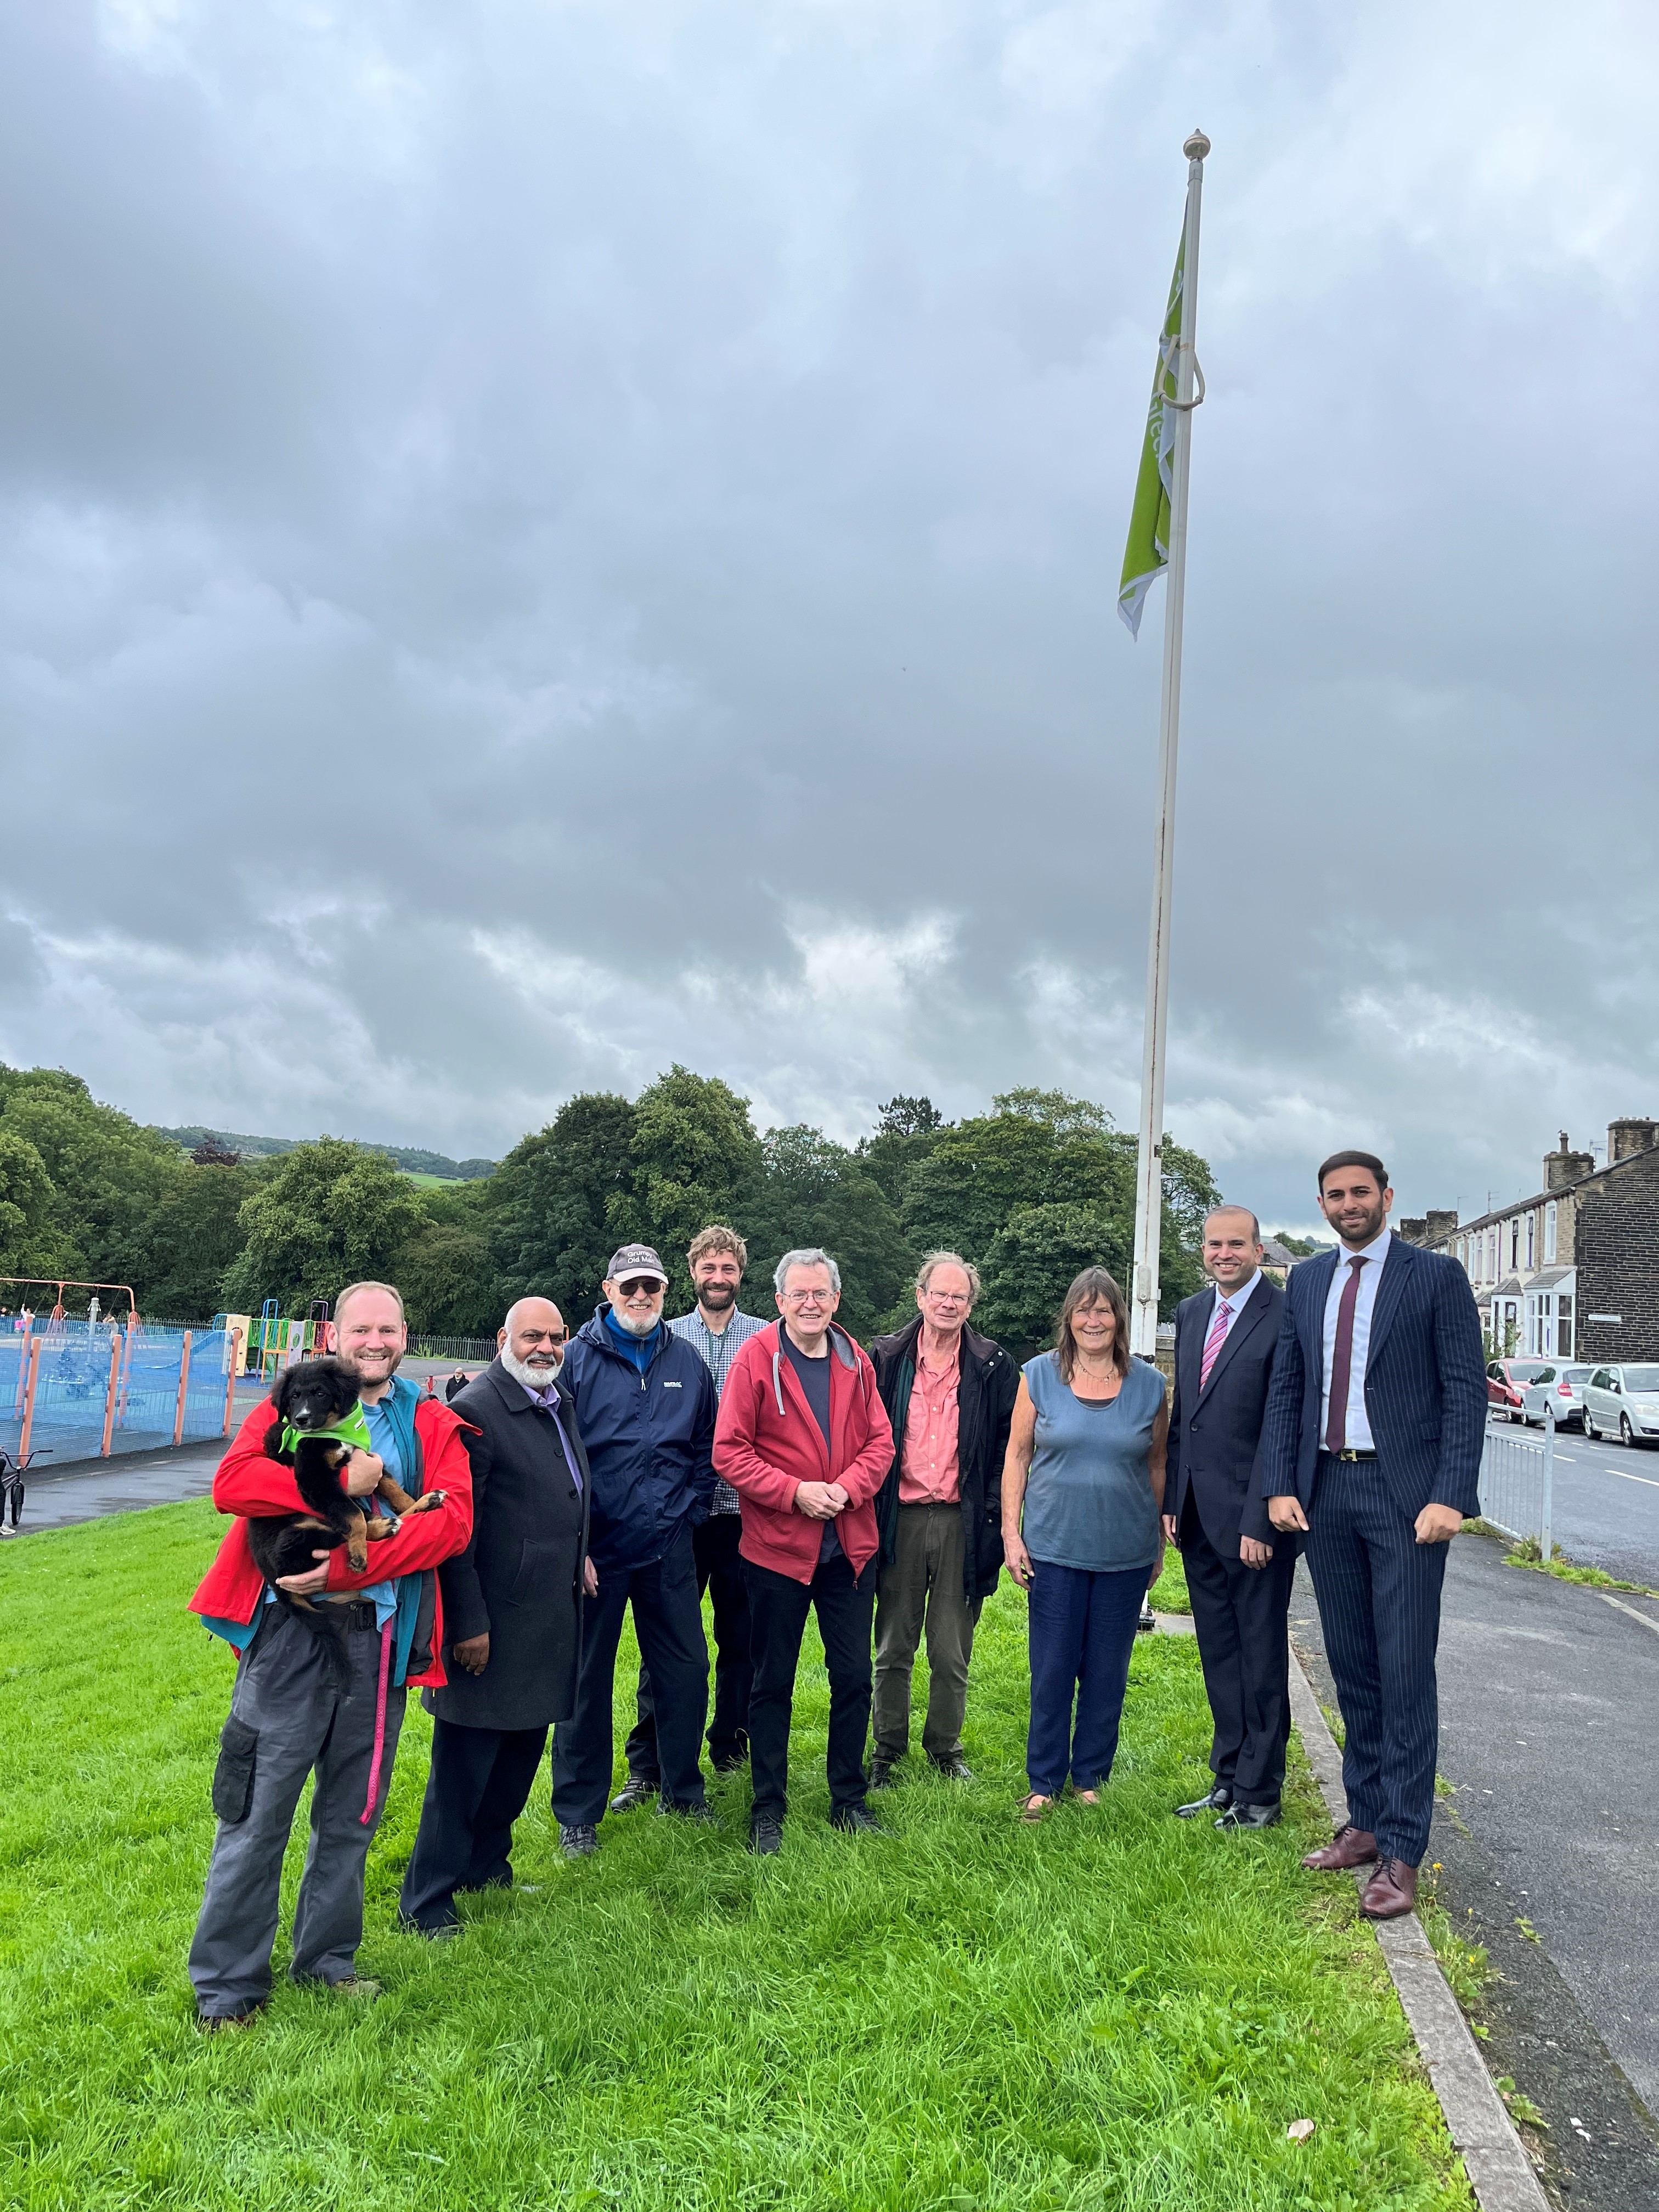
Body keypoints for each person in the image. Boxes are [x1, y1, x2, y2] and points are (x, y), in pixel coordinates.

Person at [187, 1281, 473, 2028]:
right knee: (257, 1808)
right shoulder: (290, 1404)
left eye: (387, 1330)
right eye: (360, 1330)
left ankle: (328, 1963)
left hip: (379, 1640)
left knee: (353, 1814)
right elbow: (233, 1483)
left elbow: (450, 1524)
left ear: (405, 1335)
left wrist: (354, 1565)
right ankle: (227, 1987)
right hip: (289, 1636)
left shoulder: (431, 1418)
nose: (374, 1342)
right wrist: (334, 1487)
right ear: (335, 1337)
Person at [1259, 1150, 1486, 1919]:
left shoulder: (1435, 1278)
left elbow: (1465, 1391)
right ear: (1321, 1205)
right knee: (1352, 1665)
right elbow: (1289, 1385)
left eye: (1361, 1192)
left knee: (1404, 1673)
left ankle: (1403, 1850)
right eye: (1335, 1195)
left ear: (1387, 1197)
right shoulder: (1310, 1280)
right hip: (1327, 1490)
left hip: (1406, 1499)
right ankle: (1364, 1822)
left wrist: (1451, 1495)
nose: (1349, 1204)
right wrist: (1280, 1483)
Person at [398, 1297, 595, 1937]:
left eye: (555, 1337)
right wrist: (467, 1624)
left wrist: (580, 1555)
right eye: (531, 1336)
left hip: (546, 1613)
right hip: (492, 1621)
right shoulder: (475, 1412)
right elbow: (455, 1532)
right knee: (463, 1770)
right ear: (502, 1340)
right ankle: (426, 1902)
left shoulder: (555, 1401)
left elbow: (565, 1492)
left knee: (518, 1757)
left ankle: (488, 1868)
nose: (545, 1347)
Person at [714, 1248, 895, 1855]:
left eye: (821, 1294)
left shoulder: (857, 1362)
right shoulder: (755, 1360)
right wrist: (795, 1494)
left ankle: (849, 1798)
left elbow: (881, 1444)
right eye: (800, 1294)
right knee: (772, 1683)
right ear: (781, 1301)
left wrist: (845, 1490)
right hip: (776, 1552)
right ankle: (768, 1806)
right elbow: (730, 1452)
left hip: (849, 1549)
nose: (811, 1304)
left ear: (836, 1300)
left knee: (852, 1678)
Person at [551, 1244, 716, 1854]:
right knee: (585, 1682)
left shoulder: (687, 1361)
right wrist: (576, 1542)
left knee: (685, 1672)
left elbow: (705, 1445)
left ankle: (683, 1791)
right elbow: (556, 1452)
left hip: (669, 1544)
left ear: (665, 1292)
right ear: (608, 1289)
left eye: (652, 1287)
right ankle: (578, 1814)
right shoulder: (574, 1361)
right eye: (630, 1287)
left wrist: (692, 1511)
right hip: (595, 1552)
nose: (641, 1297)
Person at [1001, 1267, 1167, 1820]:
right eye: (1083, 1310)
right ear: (1068, 1318)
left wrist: (1159, 1542)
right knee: (1051, 1668)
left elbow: (1157, 1463)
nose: (1093, 1320)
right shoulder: (1039, 1376)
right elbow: (1018, 1456)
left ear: (1119, 1318)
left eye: (1104, 1310)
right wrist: (1010, 1531)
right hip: (1053, 1547)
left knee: (1106, 1669)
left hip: (1124, 1551)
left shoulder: (1149, 1384)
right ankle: (1043, 1780)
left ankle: (1090, 1777)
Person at [612, 1226, 769, 1810]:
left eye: (728, 1268)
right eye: (709, 1268)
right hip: (678, 1518)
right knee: (666, 1645)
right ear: (693, 1273)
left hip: (744, 1514)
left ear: (740, 1273)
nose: (719, 1277)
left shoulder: (766, 1336)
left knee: (740, 1642)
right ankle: (647, 1762)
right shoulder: (664, 1334)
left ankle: (730, 1743)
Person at [867, 1252, 1018, 1788]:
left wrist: (1001, 1520)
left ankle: (944, 1748)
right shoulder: (885, 1358)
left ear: (970, 1304)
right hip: (899, 1519)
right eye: (941, 1293)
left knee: (951, 1649)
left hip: (962, 1522)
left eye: (960, 1296)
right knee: (893, 1646)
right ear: (920, 1296)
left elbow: (1010, 1447)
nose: (949, 1303)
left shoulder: (993, 1364)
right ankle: (886, 1750)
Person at [1163, 1207, 1290, 1830]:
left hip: (1254, 1523)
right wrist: (1170, 1502)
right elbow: (1186, 1414)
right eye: (1215, 1244)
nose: (1224, 1254)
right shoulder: (1192, 1314)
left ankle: (1260, 1793)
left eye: (1236, 1244)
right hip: (1196, 1517)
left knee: (1260, 1656)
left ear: (1259, 1251)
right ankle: (1227, 1781)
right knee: (1219, 1655)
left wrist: (1262, 1519)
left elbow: (1282, 1423)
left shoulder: (1284, 1316)